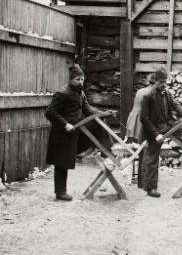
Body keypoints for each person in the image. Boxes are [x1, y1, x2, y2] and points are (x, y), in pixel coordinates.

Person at [45, 64, 111, 201]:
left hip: (76, 130)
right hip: (62, 133)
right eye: (77, 79)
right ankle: (60, 192)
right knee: (61, 163)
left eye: (82, 79)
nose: (81, 82)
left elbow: (88, 110)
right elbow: (50, 112)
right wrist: (65, 124)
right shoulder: (62, 93)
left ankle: (107, 151)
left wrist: (102, 113)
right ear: (71, 80)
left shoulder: (80, 93)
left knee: (98, 123)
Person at [140, 67, 182, 198]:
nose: (164, 84)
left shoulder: (167, 93)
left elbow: (176, 105)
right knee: (152, 157)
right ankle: (150, 188)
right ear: (155, 81)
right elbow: (144, 119)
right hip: (154, 130)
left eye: (165, 82)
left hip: (167, 125)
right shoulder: (148, 96)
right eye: (161, 82)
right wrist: (156, 134)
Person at [125, 74, 155, 188]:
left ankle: (141, 180)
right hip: (141, 122)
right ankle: (142, 181)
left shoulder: (141, 91)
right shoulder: (151, 93)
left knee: (141, 150)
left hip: (134, 120)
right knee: (144, 149)